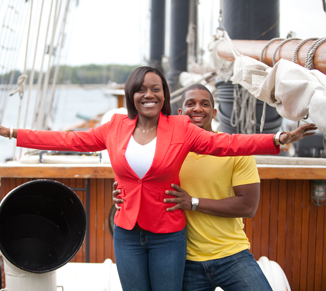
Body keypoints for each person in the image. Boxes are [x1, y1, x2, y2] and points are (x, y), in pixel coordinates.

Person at [0, 66, 316, 291]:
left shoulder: (181, 128)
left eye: (156, 89)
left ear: (165, 95)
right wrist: (14, 133)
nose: (149, 94)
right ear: (132, 95)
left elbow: (226, 143)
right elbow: (69, 140)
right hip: (126, 232)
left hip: (168, 235)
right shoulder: (115, 128)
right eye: (141, 89)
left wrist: (277, 140)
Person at [113, 84, 273, 291]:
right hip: (185, 260)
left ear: (214, 112)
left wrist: (193, 203)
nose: (198, 108)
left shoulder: (235, 150)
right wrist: (120, 194)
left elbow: (248, 207)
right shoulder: (165, 152)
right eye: (190, 104)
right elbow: (136, 175)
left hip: (232, 255)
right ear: (180, 114)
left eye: (204, 104)